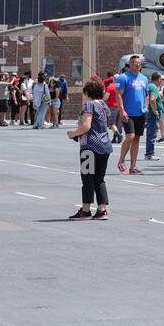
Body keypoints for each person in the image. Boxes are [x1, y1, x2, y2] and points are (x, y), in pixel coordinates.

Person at [67, 78, 111, 220]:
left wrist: (73, 133)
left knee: (87, 178)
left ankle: (86, 210)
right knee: (99, 179)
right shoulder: (103, 105)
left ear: (87, 92)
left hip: (90, 147)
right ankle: (102, 209)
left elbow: (86, 125)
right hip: (104, 146)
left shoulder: (89, 106)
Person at [114, 55, 149, 174]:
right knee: (130, 136)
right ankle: (121, 161)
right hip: (128, 113)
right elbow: (118, 95)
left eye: (139, 63)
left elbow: (146, 94)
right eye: (134, 63)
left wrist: (147, 107)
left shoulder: (144, 78)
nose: (137, 65)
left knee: (137, 139)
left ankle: (133, 167)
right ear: (130, 64)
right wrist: (122, 110)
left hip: (141, 112)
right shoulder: (123, 78)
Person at [144, 72, 163, 161]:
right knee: (152, 134)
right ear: (158, 79)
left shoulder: (149, 85)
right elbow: (152, 99)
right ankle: (150, 154)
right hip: (152, 115)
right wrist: (155, 111)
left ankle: (149, 153)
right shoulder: (154, 87)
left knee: (150, 134)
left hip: (149, 114)